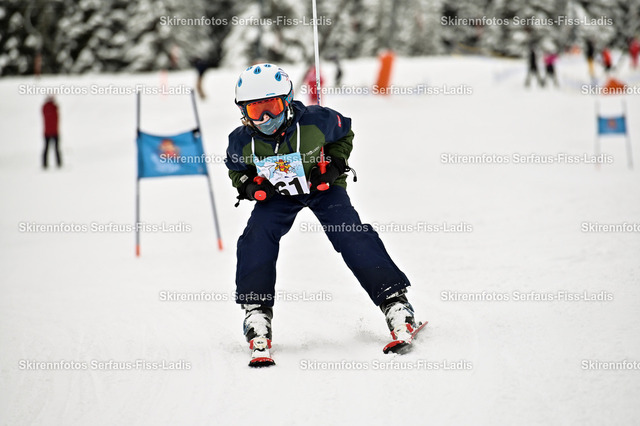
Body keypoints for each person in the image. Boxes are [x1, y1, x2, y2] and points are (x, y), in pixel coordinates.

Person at [225, 64, 416, 366]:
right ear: (243, 112)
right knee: (256, 236)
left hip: (322, 186)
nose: (266, 119)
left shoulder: (317, 121)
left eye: (272, 107)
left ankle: (395, 302)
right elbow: (237, 170)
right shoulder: (241, 140)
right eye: (255, 111)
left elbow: (345, 133)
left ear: (287, 101)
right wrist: (250, 186)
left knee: (349, 232)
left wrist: (336, 164)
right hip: (278, 195)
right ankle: (256, 312)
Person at [42, 96, 61, 169]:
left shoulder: (46, 107)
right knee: (56, 148)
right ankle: (58, 163)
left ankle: (45, 164)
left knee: (47, 148)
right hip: (54, 132)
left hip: (48, 132)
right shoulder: (53, 108)